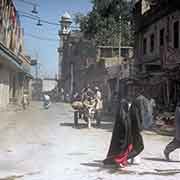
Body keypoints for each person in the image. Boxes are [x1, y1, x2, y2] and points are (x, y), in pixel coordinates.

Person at [103, 99, 133, 167]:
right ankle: (119, 161)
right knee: (124, 149)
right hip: (123, 137)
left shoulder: (120, 115)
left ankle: (121, 161)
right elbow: (126, 126)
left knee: (121, 149)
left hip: (119, 137)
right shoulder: (124, 116)